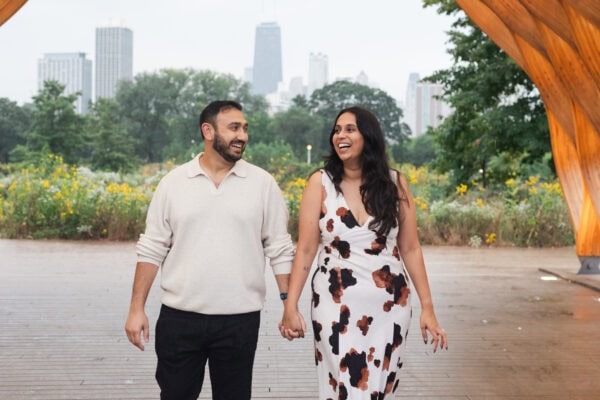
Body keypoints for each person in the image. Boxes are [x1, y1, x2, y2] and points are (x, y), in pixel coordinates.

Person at [125, 100, 295, 400]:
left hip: (239, 320)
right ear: (207, 130)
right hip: (180, 319)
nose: (242, 135)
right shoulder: (174, 183)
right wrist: (136, 309)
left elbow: (279, 248)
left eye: (244, 128)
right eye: (233, 128)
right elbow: (152, 248)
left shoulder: (262, 184)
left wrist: (288, 305)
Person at [280, 106, 448, 399]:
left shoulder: (395, 184)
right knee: (343, 385)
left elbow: (410, 247)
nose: (340, 135)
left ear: (367, 137)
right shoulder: (319, 183)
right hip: (334, 307)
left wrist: (428, 308)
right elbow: (306, 249)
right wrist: (290, 305)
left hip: (390, 308)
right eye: (337, 129)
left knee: (380, 388)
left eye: (349, 129)